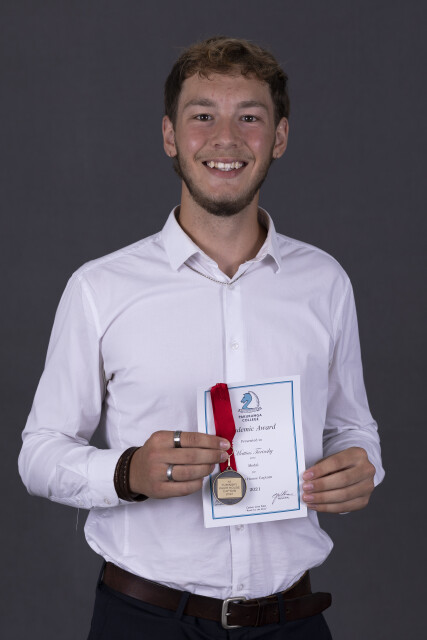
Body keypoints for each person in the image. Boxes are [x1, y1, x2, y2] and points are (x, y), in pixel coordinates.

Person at [18, 36, 384, 639]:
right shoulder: (99, 288)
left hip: (290, 621)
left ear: (280, 137)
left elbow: (353, 429)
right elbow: (39, 454)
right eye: (203, 116)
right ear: (170, 135)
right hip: (145, 620)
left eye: (250, 117)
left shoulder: (324, 283)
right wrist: (127, 473)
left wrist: (363, 466)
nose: (226, 139)